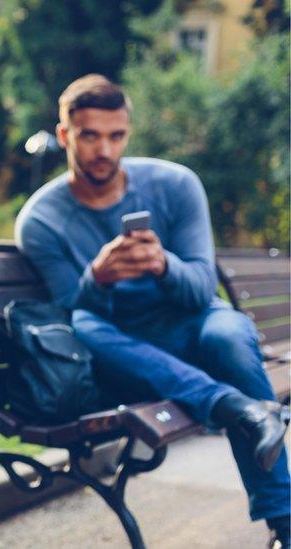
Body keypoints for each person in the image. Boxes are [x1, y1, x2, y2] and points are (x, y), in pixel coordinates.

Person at [15, 74, 290, 547]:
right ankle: (240, 408)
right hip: (125, 352)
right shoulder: (41, 220)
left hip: (197, 323)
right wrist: (97, 278)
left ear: (128, 132)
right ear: (65, 135)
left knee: (227, 335)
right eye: (89, 135)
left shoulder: (176, 184)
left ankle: (285, 523)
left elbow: (203, 287)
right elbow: (71, 319)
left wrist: (164, 265)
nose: (104, 149)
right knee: (84, 322)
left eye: (116, 135)